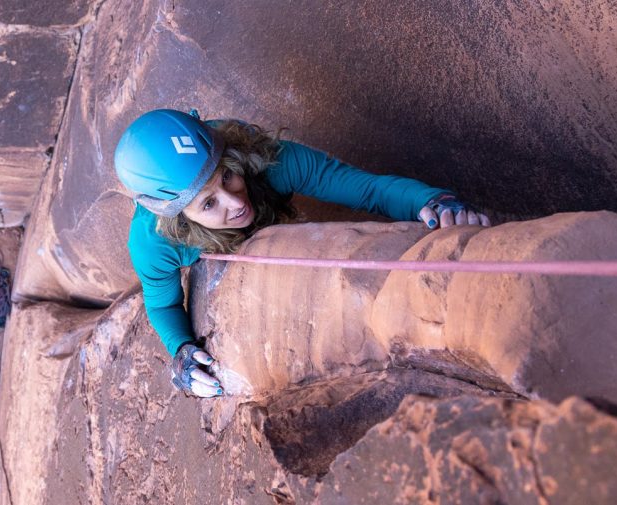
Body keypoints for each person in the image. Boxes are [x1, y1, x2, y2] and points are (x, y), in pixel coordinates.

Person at [116, 109, 491, 398]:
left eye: (227, 176)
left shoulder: (260, 157)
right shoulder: (154, 243)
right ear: (178, 217)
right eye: (209, 202)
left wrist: (433, 203)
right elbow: (163, 305)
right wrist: (181, 350)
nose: (235, 201)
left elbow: (366, 189)